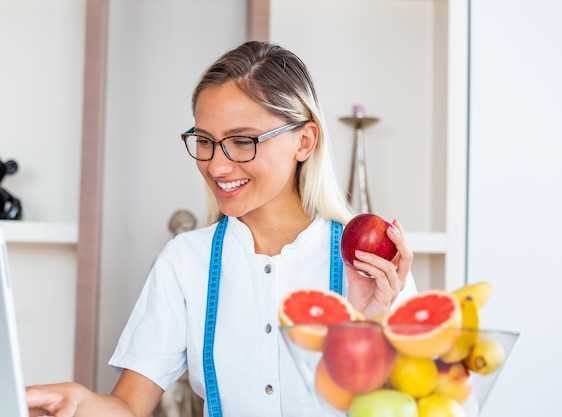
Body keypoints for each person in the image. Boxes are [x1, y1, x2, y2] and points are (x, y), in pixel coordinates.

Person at [26, 40, 416, 417]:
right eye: (205, 141)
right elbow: (128, 406)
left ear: (305, 141)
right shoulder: (186, 261)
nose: (217, 165)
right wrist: (81, 404)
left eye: (242, 141)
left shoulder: (370, 265)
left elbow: (414, 404)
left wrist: (374, 321)